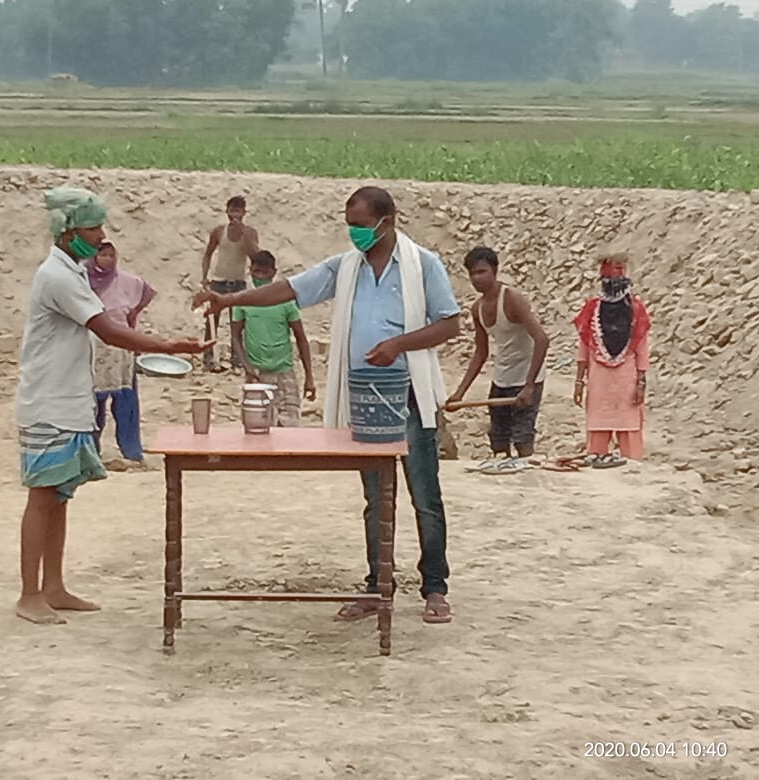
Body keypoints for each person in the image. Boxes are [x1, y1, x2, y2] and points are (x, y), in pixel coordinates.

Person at [194, 186, 461, 624]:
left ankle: (435, 586)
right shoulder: (347, 266)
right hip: (363, 397)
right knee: (375, 496)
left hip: (408, 395)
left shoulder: (423, 264)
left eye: (359, 225)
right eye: (349, 225)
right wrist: (229, 299)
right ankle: (378, 584)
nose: (353, 233)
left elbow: (449, 325)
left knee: (424, 494)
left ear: (386, 221)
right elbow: (289, 290)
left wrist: (397, 345)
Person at [14, 185, 207, 625]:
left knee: (58, 496)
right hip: (48, 400)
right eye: (92, 227)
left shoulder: (72, 269)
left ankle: (53, 587)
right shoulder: (59, 276)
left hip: (63, 398)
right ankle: (29, 594)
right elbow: (109, 330)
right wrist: (167, 345)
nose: (99, 235)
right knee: (42, 497)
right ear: (67, 230)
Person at [447, 246, 550, 462]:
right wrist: (460, 393)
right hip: (502, 378)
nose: (477, 278)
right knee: (499, 439)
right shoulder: (477, 309)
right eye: (473, 274)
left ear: (495, 270)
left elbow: (541, 339)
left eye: (482, 272)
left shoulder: (511, 298)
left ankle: (527, 485)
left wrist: (530, 385)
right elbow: (480, 352)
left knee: (523, 437)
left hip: (527, 376)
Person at [573, 253, 651, 464]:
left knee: (630, 431)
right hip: (599, 381)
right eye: (613, 269)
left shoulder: (636, 310)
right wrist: (579, 381)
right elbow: (584, 347)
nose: (617, 274)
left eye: (620, 269)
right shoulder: (592, 309)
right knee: (598, 431)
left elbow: (642, 349)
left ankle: (634, 472)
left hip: (627, 379)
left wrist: (641, 382)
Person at [87, 240, 156, 463]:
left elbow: (142, 297)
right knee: (93, 402)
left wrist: (134, 321)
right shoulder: (83, 280)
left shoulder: (125, 280)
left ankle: (131, 451)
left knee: (126, 399)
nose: (108, 259)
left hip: (122, 348)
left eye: (111, 255)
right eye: (103, 255)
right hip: (95, 348)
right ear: (94, 257)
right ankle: (91, 451)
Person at [232, 250, 316, 426]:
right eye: (256, 272)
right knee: (257, 426)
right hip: (256, 375)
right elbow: (235, 336)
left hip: (284, 374)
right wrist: (246, 366)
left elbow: (301, 338)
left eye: (264, 272)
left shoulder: (285, 301)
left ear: (274, 272)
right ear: (250, 272)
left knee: (289, 426)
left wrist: (309, 378)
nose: (260, 276)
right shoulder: (243, 301)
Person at [200, 195, 259, 372]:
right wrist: (205, 276)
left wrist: (244, 234)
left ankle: (237, 361)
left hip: (239, 282)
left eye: (238, 211)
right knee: (212, 322)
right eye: (232, 210)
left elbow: (255, 256)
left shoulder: (250, 232)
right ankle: (210, 359)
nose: (235, 215)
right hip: (219, 281)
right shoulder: (219, 231)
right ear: (226, 211)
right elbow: (208, 253)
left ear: (244, 213)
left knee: (238, 324)